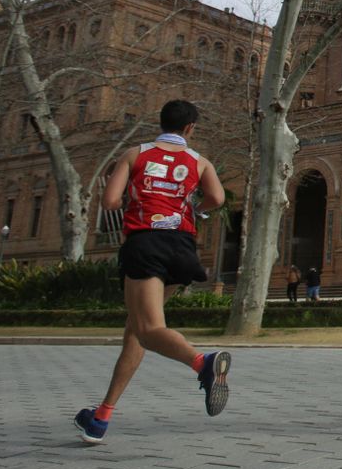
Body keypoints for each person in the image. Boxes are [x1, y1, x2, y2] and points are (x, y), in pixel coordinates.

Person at [72, 99, 232, 445]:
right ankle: (100, 417)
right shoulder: (199, 161)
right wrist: (193, 210)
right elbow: (217, 198)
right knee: (138, 331)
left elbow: (110, 202)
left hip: (146, 244)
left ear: (161, 123)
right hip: (182, 249)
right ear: (191, 128)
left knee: (148, 330)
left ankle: (202, 361)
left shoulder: (135, 154)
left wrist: (139, 202)